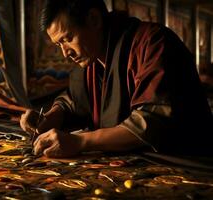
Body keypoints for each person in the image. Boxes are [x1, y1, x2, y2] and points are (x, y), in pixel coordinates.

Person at [20, 0, 213, 158]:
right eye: (59, 44)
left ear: (94, 20)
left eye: (67, 38)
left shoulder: (153, 43)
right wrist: (48, 118)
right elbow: (72, 102)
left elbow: (151, 122)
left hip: (185, 161)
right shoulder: (91, 59)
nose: (65, 53)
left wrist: (81, 142)